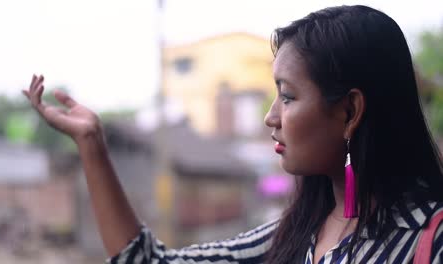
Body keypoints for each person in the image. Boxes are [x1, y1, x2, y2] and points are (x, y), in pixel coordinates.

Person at [23, 5, 443, 264]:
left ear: (350, 111)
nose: (270, 117)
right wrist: (92, 144)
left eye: (289, 97)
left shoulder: (431, 239)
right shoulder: (296, 234)